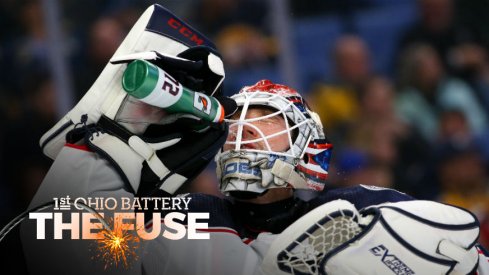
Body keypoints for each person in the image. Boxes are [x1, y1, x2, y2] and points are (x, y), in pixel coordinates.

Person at [19, 4, 489, 275]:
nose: (242, 132)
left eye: (263, 120)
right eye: (237, 121)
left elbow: (464, 257)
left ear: (307, 151)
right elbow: (45, 239)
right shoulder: (191, 215)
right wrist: (114, 141)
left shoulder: (361, 207)